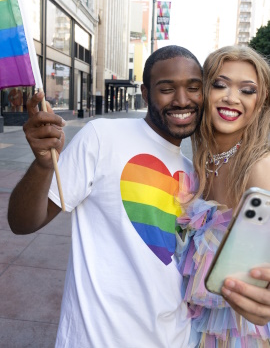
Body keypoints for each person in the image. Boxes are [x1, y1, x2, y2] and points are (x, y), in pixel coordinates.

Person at [7, 45, 270, 347]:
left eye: (193, 88)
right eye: (167, 89)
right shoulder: (102, 137)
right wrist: (43, 167)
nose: (182, 99)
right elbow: (23, 222)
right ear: (145, 94)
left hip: (180, 339)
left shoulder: (197, 176)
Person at [176, 45, 270, 347]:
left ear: (261, 102)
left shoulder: (259, 168)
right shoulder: (203, 160)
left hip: (240, 332)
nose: (232, 97)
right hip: (198, 325)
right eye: (220, 84)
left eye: (247, 90)